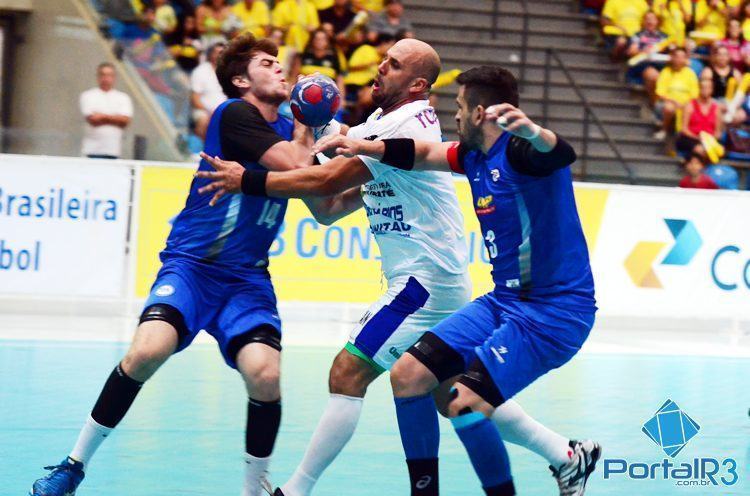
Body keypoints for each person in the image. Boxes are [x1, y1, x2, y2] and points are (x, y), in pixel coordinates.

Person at [197, 44, 600, 496]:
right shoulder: (441, 146)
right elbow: (339, 202)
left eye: (392, 64)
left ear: (418, 85)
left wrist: (251, 177)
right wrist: (332, 137)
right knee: (435, 385)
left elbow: (328, 181)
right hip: (473, 290)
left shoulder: (459, 134)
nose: (379, 67)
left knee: (355, 373)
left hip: (443, 285)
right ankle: (566, 454)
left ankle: (295, 489)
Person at [29, 33, 351, 496]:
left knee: (265, 373)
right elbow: (293, 163)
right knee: (146, 351)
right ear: (241, 79)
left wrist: (374, 183)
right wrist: (315, 129)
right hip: (193, 266)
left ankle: (252, 488)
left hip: (247, 279)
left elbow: (324, 207)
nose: (280, 68)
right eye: (267, 63)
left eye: (280, 62)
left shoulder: (288, 132)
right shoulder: (235, 116)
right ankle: (73, 465)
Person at [311, 65, 601, 496]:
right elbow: (421, 154)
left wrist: (538, 133)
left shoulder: (524, 152)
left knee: (465, 403)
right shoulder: (473, 156)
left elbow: (561, 154)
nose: (455, 117)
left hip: (552, 312)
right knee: (407, 374)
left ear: (481, 112)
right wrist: (360, 144)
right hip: (504, 301)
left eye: (461, 108)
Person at [79, 62, 133, 159]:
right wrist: (115, 118)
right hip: (92, 151)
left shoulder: (123, 98)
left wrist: (102, 116)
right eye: (103, 75)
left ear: (114, 77)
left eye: (109, 75)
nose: (106, 78)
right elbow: (93, 120)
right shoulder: (88, 95)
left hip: (114, 152)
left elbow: (125, 121)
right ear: (98, 76)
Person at [654, 46, 700, 140]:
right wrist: (674, 102)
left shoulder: (690, 73)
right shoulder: (665, 72)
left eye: (682, 57)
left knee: (691, 108)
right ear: (672, 58)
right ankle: (664, 130)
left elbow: (695, 94)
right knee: (669, 108)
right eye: (677, 56)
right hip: (668, 102)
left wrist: (686, 104)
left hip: (686, 103)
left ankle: (685, 135)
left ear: (685, 59)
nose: (679, 59)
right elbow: (660, 93)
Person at [626, 10, 669, 104]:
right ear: (643, 21)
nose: (650, 21)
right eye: (647, 19)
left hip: (661, 64)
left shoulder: (664, 37)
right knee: (652, 74)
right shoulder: (638, 35)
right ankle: (656, 104)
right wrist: (643, 51)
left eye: (653, 19)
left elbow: (672, 51)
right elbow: (631, 51)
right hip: (643, 64)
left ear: (657, 21)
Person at [676, 78, 725, 158]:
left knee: (720, 150)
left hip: (710, 139)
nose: (705, 90)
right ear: (699, 88)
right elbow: (684, 129)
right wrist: (698, 138)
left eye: (708, 88)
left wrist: (709, 141)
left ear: (712, 89)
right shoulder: (690, 105)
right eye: (703, 87)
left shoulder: (716, 108)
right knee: (699, 149)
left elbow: (718, 132)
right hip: (691, 138)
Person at [191, 42, 227, 139]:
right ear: (211, 54)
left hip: (224, 111)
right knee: (203, 120)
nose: (220, 55)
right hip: (203, 111)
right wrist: (210, 112)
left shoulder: (227, 72)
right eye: (218, 52)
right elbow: (195, 99)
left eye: (223, 53)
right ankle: (199, 150)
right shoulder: (200, 71)